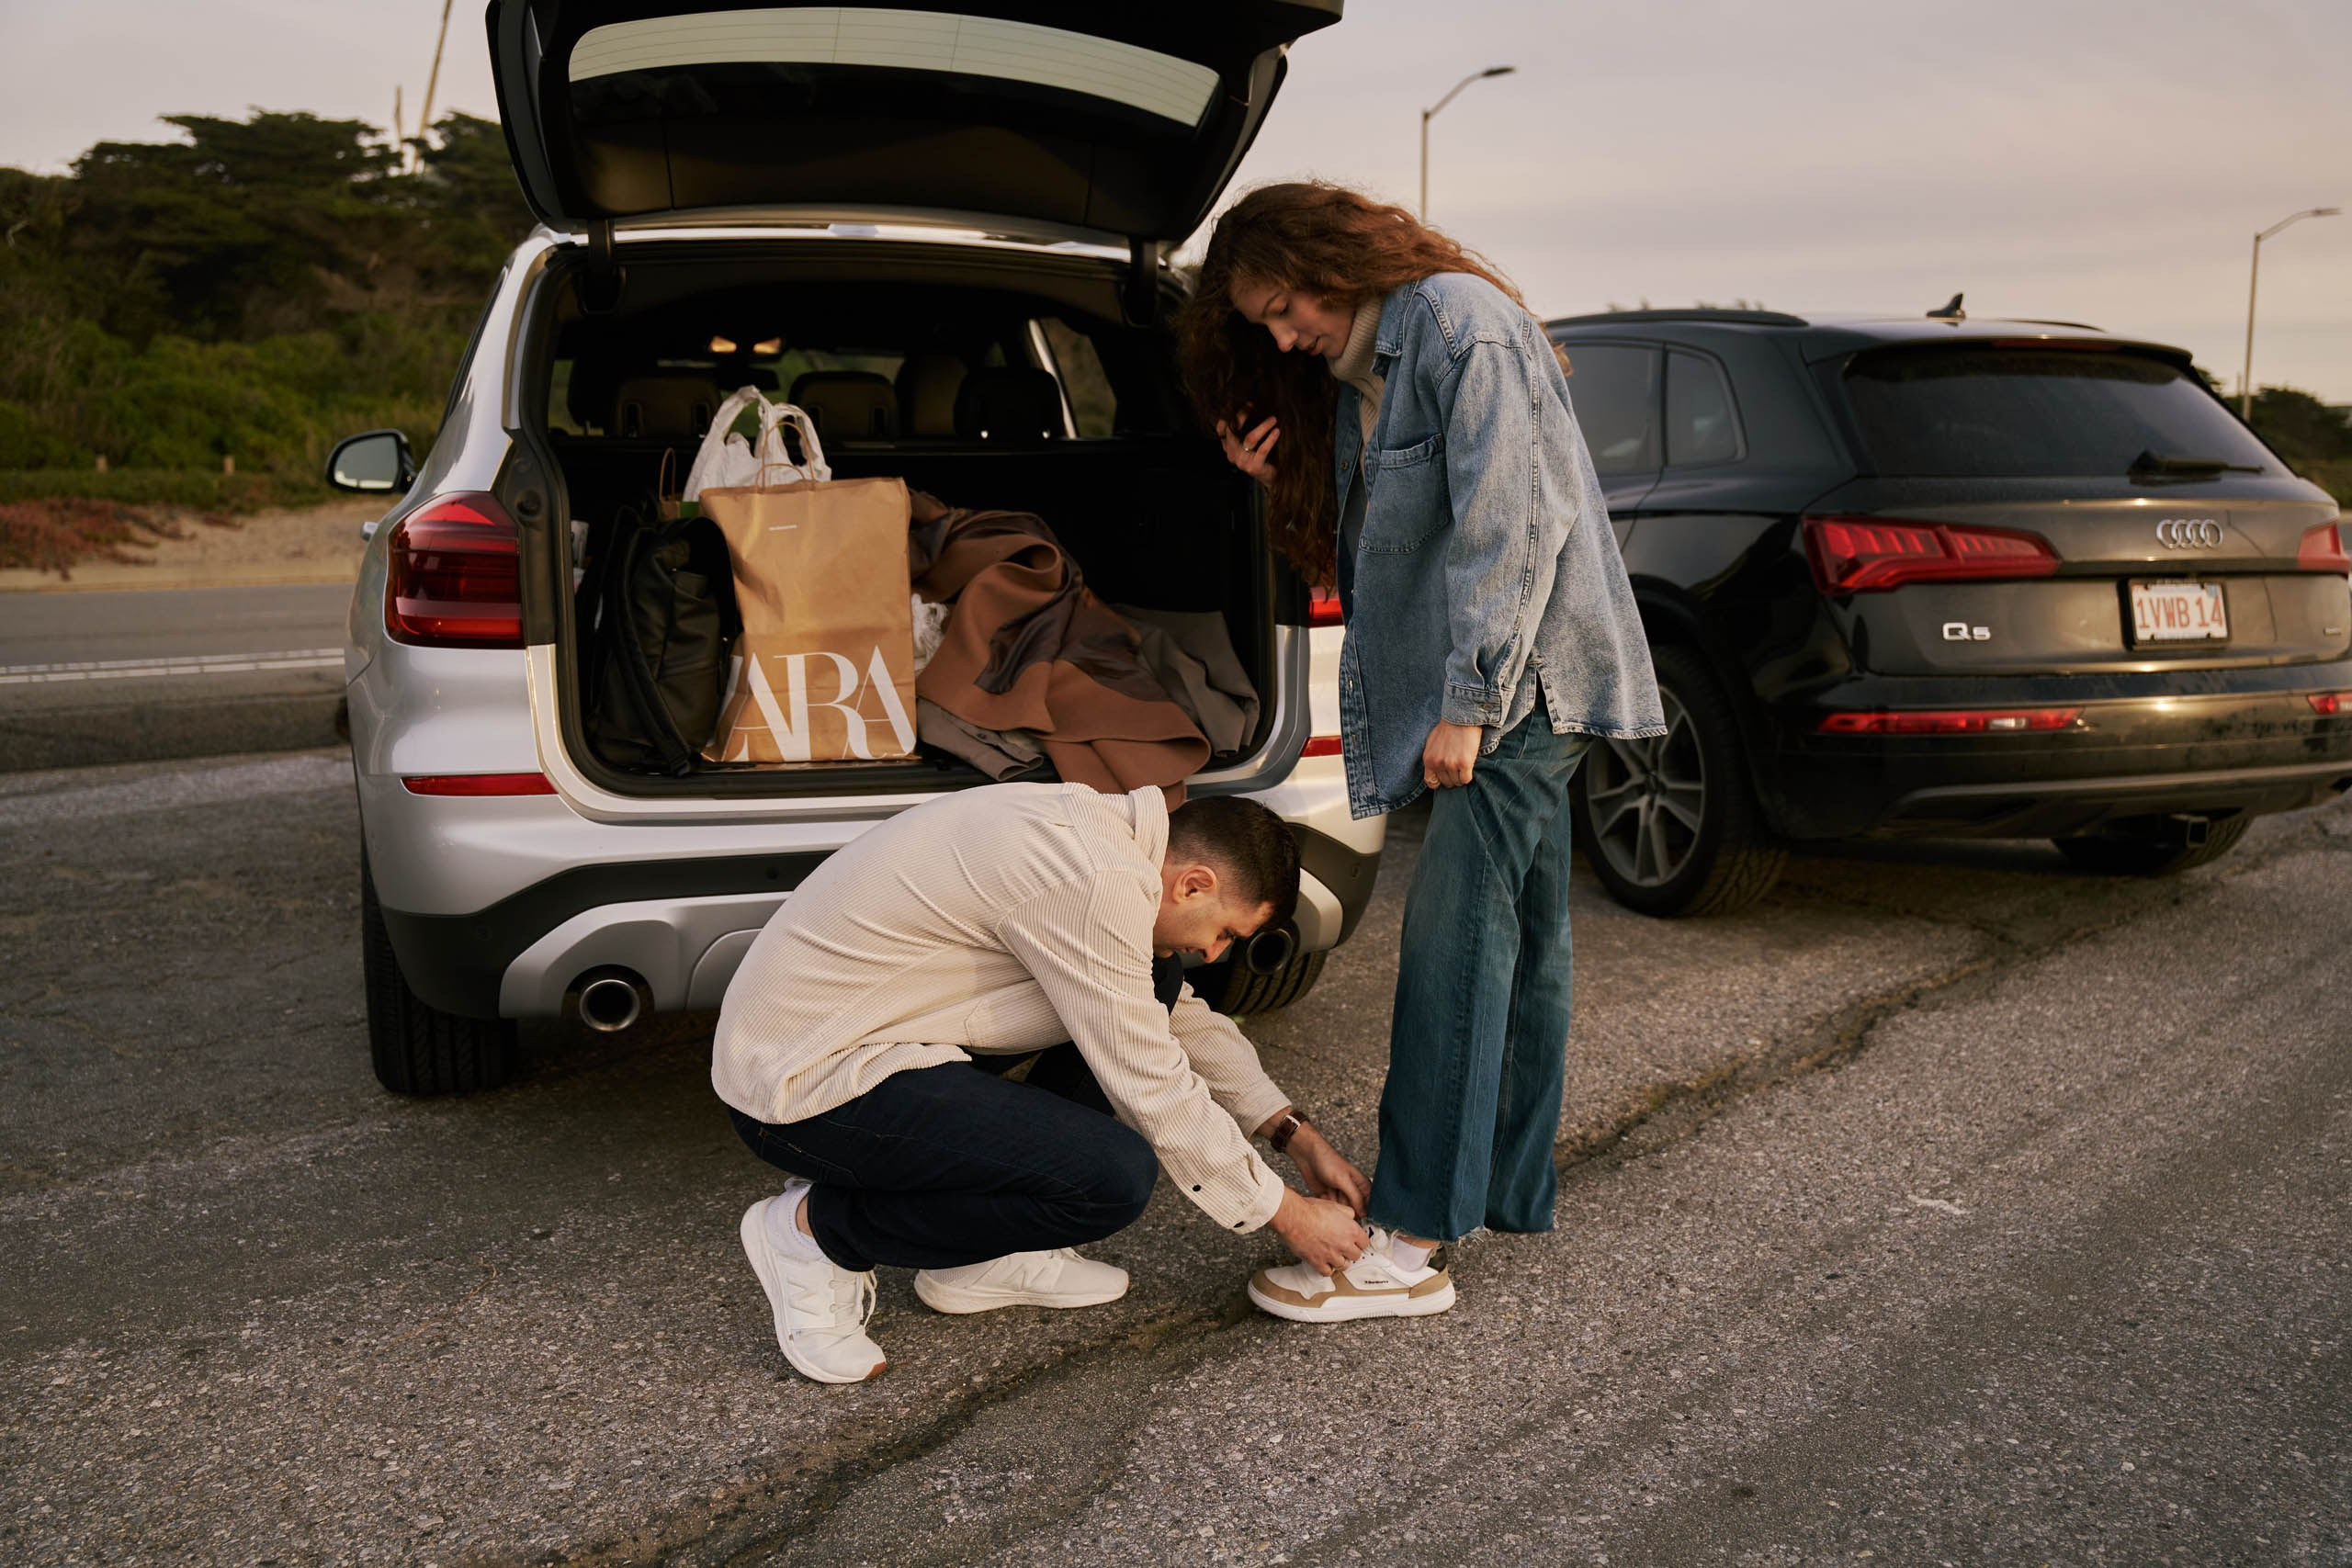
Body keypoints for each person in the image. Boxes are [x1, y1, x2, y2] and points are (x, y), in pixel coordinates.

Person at [1176, 182, 1666, 1323]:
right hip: (1503, 696)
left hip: (1514, 696)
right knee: (1523, 947)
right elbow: (1388, 550)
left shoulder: (1453, 323)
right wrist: (1280, 471)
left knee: (1452, 953)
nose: (1282, 332)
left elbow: (1513, 523)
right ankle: (1495, 1188)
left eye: (1286, 304)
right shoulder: (1365, 375)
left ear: (1333, 260)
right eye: (1262, 320)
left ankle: (1407, 1241)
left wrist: (1468, 703)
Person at [714, 782, 1374, 1383]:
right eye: (1226, 932)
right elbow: (1151, 1079)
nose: (1216, 953)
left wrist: (1292, 1131)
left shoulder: (1107, 844)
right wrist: (1287, 1214)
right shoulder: (1093, 878)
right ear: (1193, 883)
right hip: (799, 1082)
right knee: (1110, 1178)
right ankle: (815, 1230)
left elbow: (1172, 1020)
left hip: (885, 1029)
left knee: (1160, 979)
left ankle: (977, 1258)